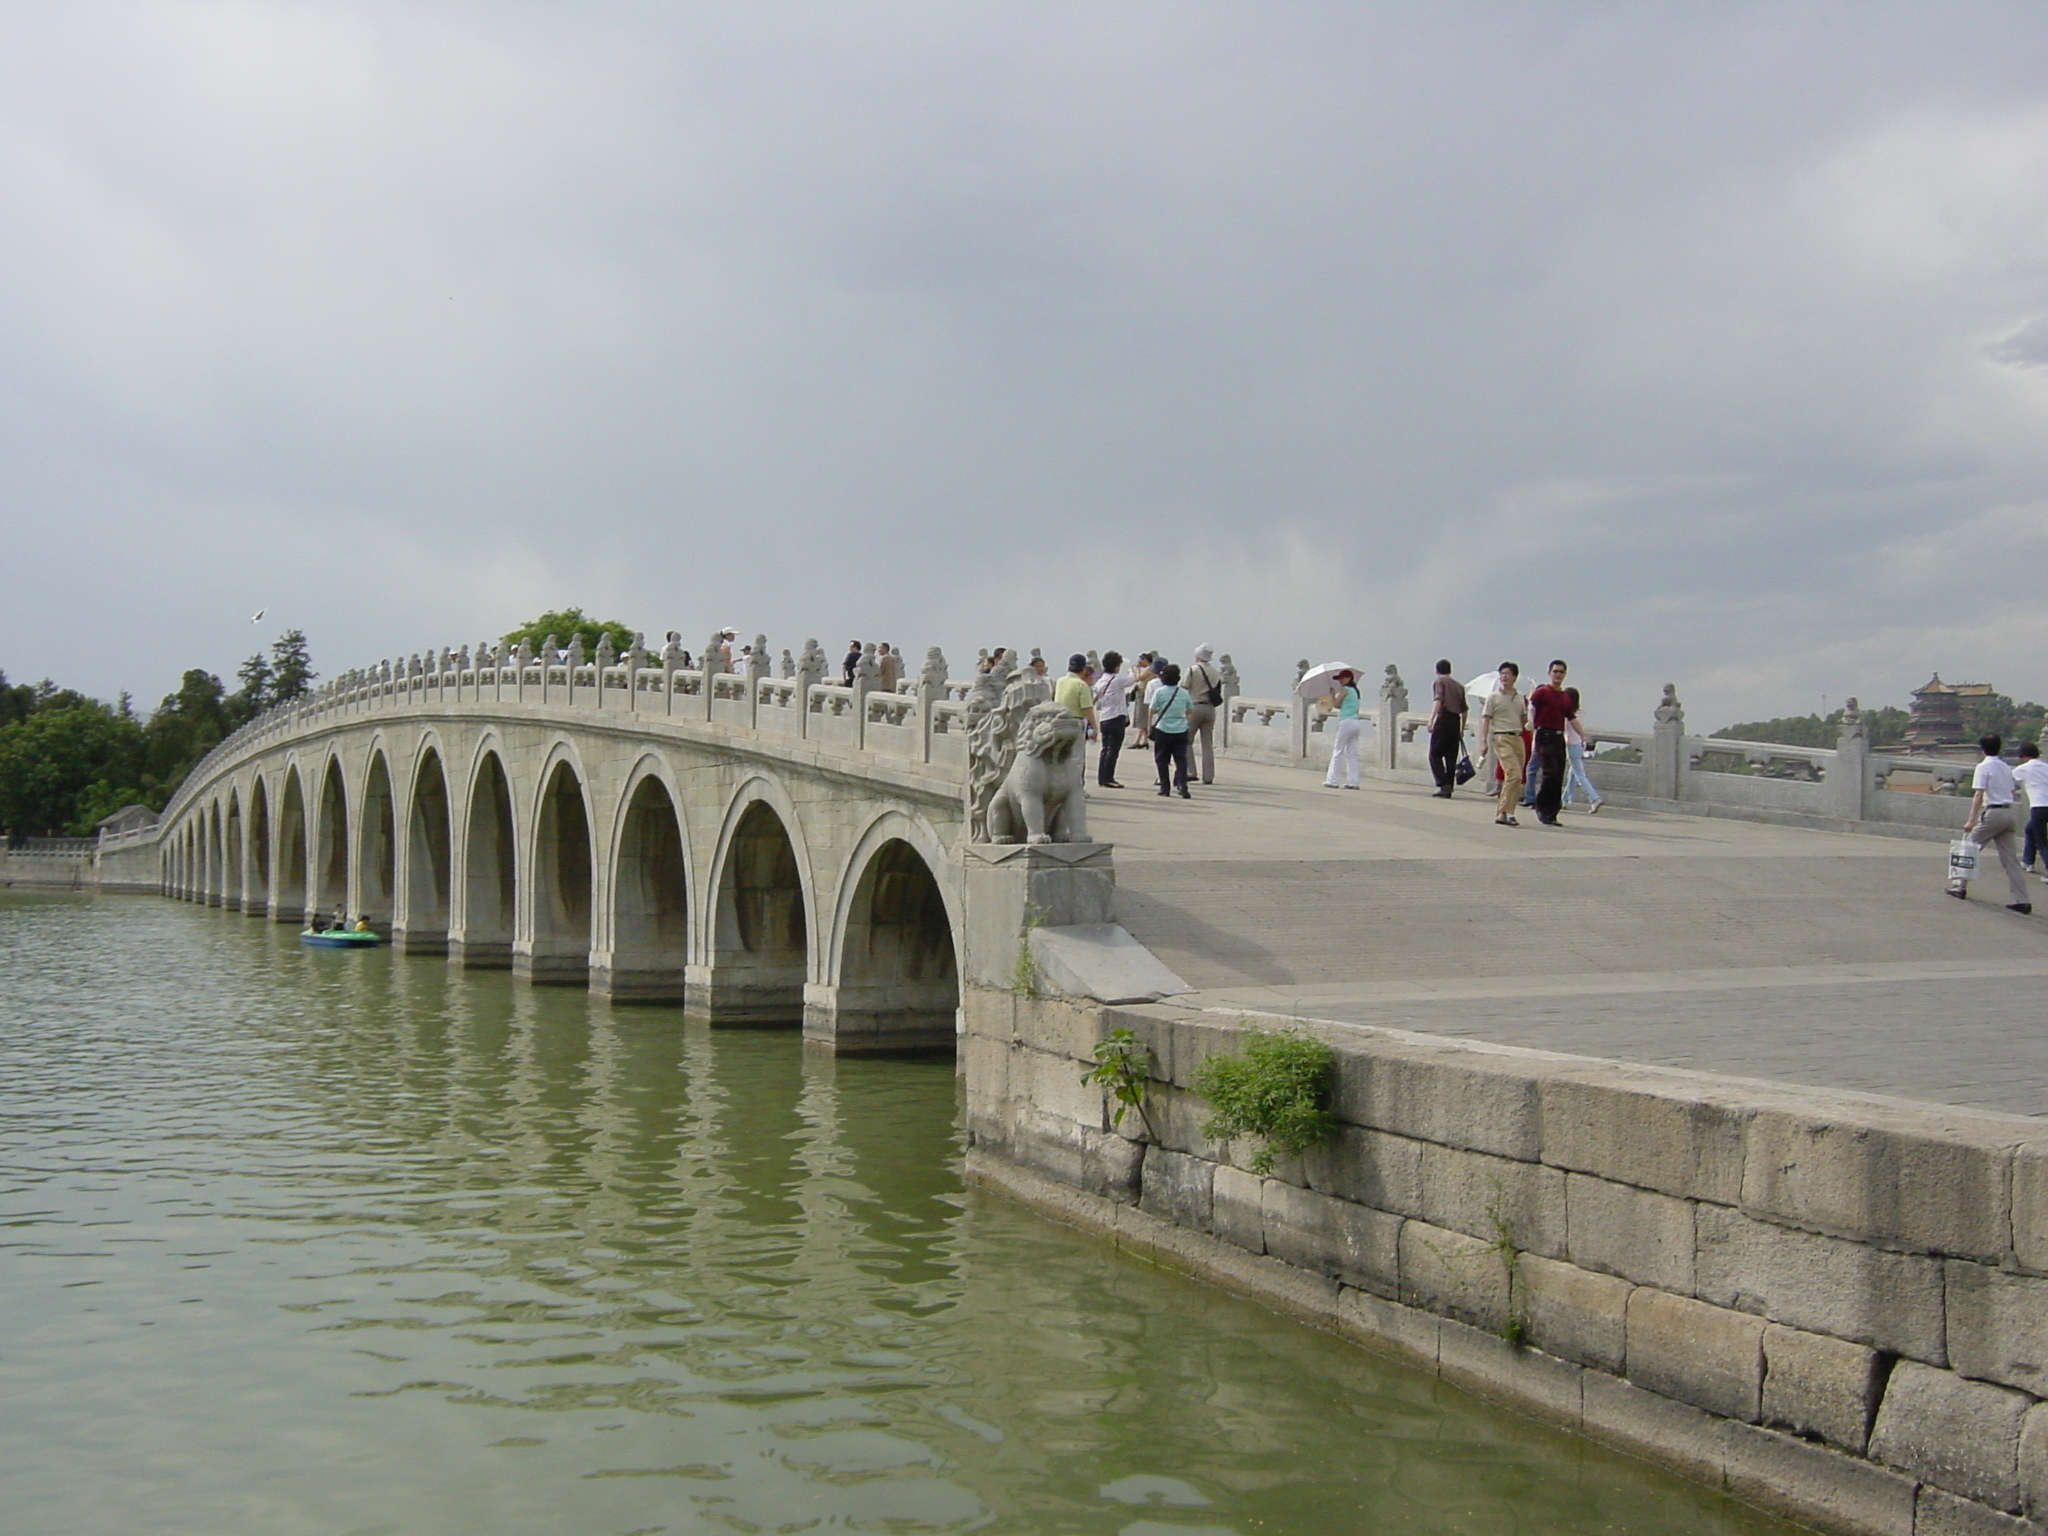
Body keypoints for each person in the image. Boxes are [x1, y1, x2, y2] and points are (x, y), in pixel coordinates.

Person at [1951, 734, 2032, 913]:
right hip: (2009, 813)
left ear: (1982, 749)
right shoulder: (2005, 767)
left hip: (1993, 813)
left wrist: (1971, 820)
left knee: (1968, 848)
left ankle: (1959, 886)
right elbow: (2012, 789)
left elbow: (1979, 795)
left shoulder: (1983, 766)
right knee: (2011, 861)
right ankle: (2022, 900)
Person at [1476, 662, 1528, 826]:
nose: (1504, 677)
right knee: (1514, 774)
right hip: (1501, 737)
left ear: (1515, 677)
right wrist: (1483, 742)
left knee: (1517, 778)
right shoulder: (1493, 698)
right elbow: (1485, 720)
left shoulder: (1520, 698)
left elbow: (1524, 720)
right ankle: (1503, 812)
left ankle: (1509, 812)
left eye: (1507, 674)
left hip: (1517, 738)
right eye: (1502, 674)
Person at [1526, 660, 1575, 827]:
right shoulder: (1542, 692)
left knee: (1558, 775)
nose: (1558, 675)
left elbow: (1571, 717)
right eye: (1555, 671)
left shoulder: (1564, 697)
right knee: (1549, 773)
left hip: (1558, 736)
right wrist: (1531, 724)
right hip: (1544, 735)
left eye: (1561, 672)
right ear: (1549, 673)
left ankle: (1553, 812)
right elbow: (1530, 707)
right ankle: (1542, 808)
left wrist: (1582, 735)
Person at [1147, 663, 1194, 798]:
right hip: (1180, 729)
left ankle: (1165, 787)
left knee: (1162, 759)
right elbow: (1190, 710)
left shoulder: (1159, 692)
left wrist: (1150, 726)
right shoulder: (1184, 693)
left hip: (1163, 729)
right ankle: (1182, 785)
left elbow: (1152, 710)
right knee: (1181, 759)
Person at [1184, 645, 1224, 786]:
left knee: (1186, 741)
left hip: (1195, 707)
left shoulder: (1192, 670)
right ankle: (1208, 776)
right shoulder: (1215, 672)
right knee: (1207, 744)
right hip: (1210, 709)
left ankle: (1191, 771)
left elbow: (1184, 688)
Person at [1560, 686, 1604, 813]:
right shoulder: (1580, 712)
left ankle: (1594, 798)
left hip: (1571, 744)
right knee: (1573, 775)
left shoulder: (1567, 714)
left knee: (1579, 775)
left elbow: (1566, 731)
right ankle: (1564, 799)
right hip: (1579, 744)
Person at [1426, 658, 1466, 798]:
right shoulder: (1459, 686)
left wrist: (1432, 720)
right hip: (1455, 720)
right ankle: (1449, 785)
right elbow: (1464, 710)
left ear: (1437, 670)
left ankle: (1443, 784)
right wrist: (1462, 727)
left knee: (1434, 754)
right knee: (1450, 756)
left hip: (1444, 718)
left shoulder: (1439, 682)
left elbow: (1438, 700)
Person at [1093, 650, 1133, 788]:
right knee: (1113, 749)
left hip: (1104, 717)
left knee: (1105, 749)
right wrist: (1133, 669)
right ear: (1116, 666)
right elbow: (1135, 678)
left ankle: (1102, 777)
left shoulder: (1100, 681)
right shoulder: (1117, 680)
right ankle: (1108, 777)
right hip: (1116, 717)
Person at [1322, 669, 1362, 790]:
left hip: (1346, 722)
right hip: (1356, 722)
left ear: (1349, 678)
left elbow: (1336, 704)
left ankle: (1332, 780)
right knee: (1352, 753)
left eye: (1342, 678)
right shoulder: (1356, 691)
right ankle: (1354, 782)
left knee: (1338, 751)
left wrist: (1333, 695)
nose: (1340, 681)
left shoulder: (1345, 690)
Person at [2018, 741, 2048, 880]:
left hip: (2039, 807)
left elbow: (2009, 778)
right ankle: (2028, 861)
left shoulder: (2024, 768)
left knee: (2041, 841)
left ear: (2023, 755)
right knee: (2030, 830)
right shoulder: (2045, 767)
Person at [1054, 653, 1097, 737]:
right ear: (1083, 669)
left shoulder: (1060, 681)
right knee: (1077, 749)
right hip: (1075, 722)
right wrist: (1094, 728)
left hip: (1058, 721)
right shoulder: (1081, 684)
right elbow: (1087, 708)